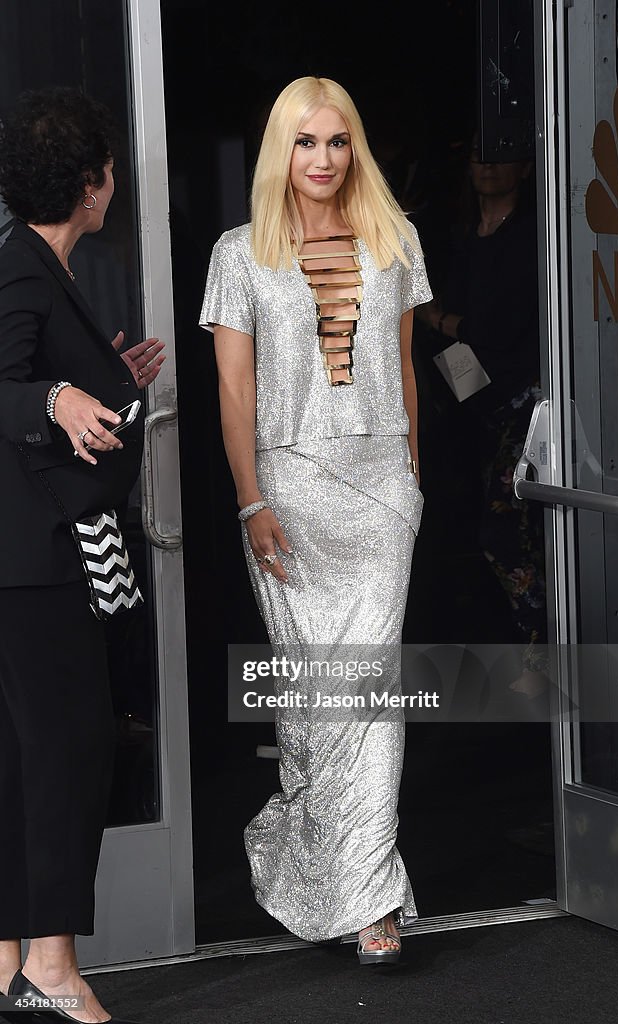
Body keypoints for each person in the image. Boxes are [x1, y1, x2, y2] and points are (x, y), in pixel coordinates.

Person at [200, 76, 432, 964]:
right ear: (280, 152)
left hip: (379, 495)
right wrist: (250, 496)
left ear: (356, 149)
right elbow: (233, 388)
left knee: (368, 702)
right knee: (315, 706)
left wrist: (410, 484)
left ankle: (371, 897)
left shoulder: (394, 240)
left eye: (338, 142)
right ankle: (309, 861)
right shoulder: (239, 253)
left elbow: (406, 371)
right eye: (307, 143)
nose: (324, 159)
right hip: (288, 492)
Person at [0, 86, 164, 1024]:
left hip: (30, 559)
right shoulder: (22, 269)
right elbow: (11, 385)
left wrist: (106, 375)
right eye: (109, 174)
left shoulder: (36, 268)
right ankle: (53, 967)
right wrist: (58, 398)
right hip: (35, 563)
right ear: (94, 187)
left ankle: (13, 957)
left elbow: (35, 371)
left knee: (22, 758)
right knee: (67, 748)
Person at [419, 133, 547, 693]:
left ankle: (543, 657)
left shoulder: (533, 238)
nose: (488, 167)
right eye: (479, 155)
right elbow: (449, 339)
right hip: (480, 401)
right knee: (495, 524)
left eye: (501, 155)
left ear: (524, 167)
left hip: (530, 401)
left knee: (507, 530)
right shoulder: (461, 237)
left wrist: (444, 322)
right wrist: (449, 335)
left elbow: (498, 328)